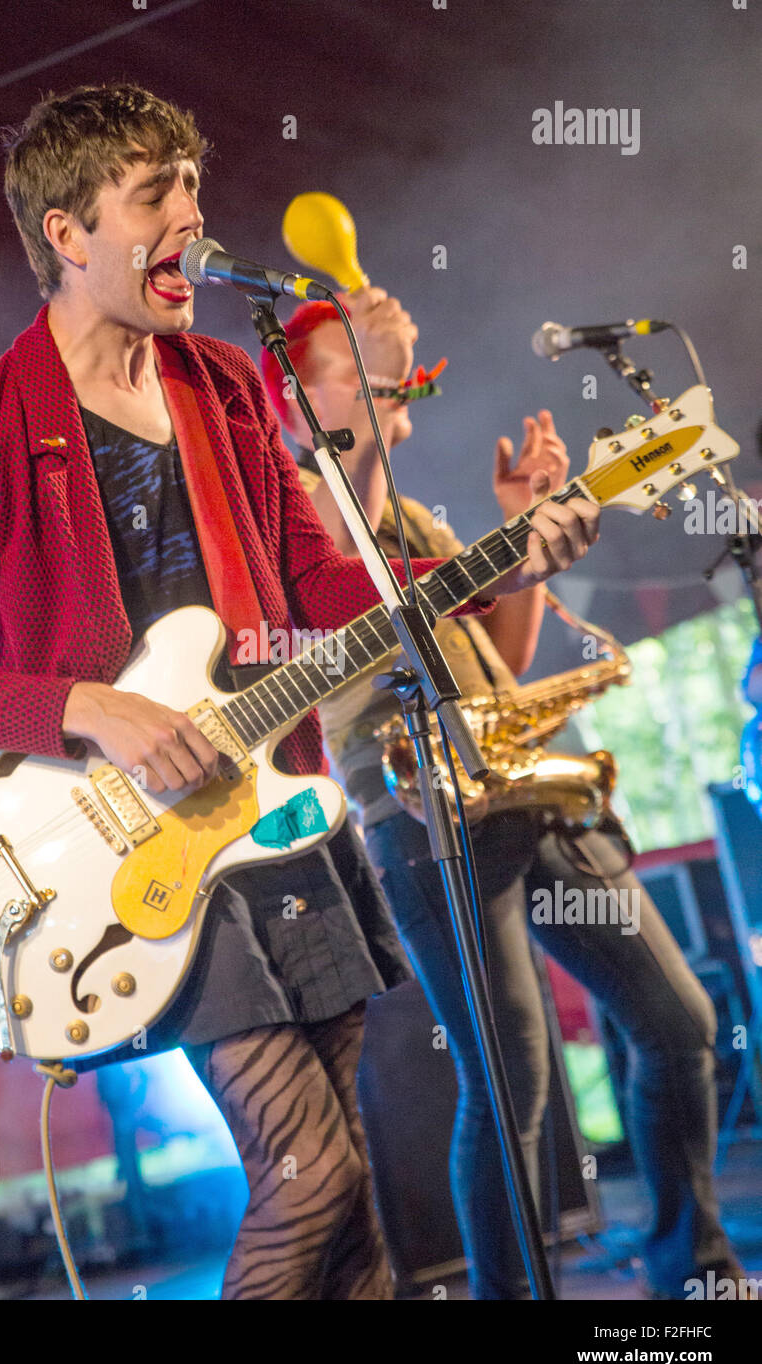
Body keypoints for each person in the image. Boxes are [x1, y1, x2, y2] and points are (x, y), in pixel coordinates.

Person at [0, 82, 600, 1301]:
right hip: (135, 865)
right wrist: (88, 706)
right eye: (156, 194)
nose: (192, 219)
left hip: (276, 815)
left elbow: (317, 582)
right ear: (67, 230)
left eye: (194, 186)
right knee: (306, 1181)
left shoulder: (220, 382)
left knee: (351, 1181)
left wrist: (493, 564)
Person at [261, 295, 748, 1300]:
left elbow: (509, 660)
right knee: (511, 1081)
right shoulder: (300, 523)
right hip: (424, 820)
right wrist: (374, 351)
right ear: (300, 401)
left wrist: (527, 521)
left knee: (680, 1020)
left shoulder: (419, 520)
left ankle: (693, 1269)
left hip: (530, 788)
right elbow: (340, 513)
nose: (384, 374)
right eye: (350, 366)